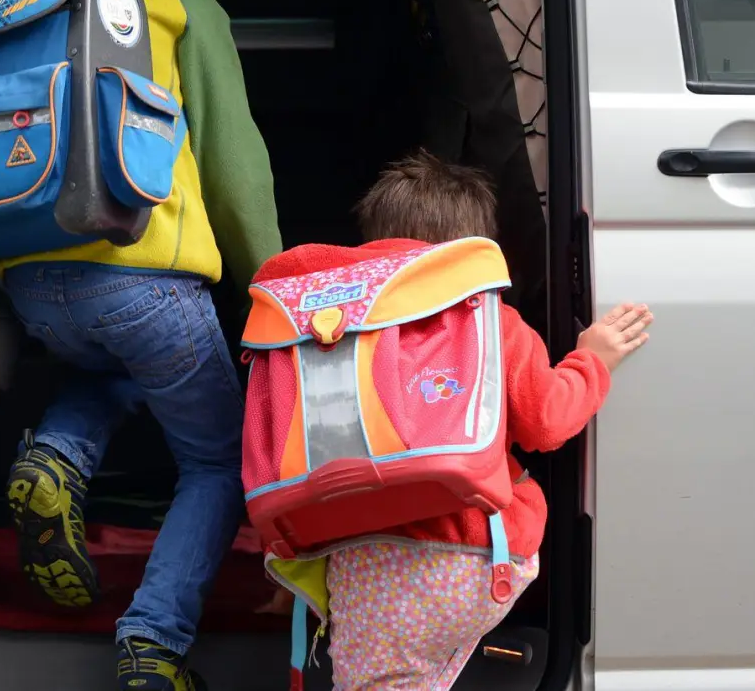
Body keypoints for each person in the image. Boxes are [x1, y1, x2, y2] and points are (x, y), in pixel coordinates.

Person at [0, 0, 282, 691]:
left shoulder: (16, 7)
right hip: (145, 280)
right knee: (221, 460)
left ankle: (55, 454)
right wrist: (274, 290)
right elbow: (234, 169)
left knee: (120, 367)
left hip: (33, 285)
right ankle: (153, 641)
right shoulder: (176, 4)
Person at [250, 151, 650, 691]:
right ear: (471, 252)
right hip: (471, 554)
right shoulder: (489, 322)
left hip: (355, 562)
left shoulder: (322, 334)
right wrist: (592, 360)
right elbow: (546, 421)